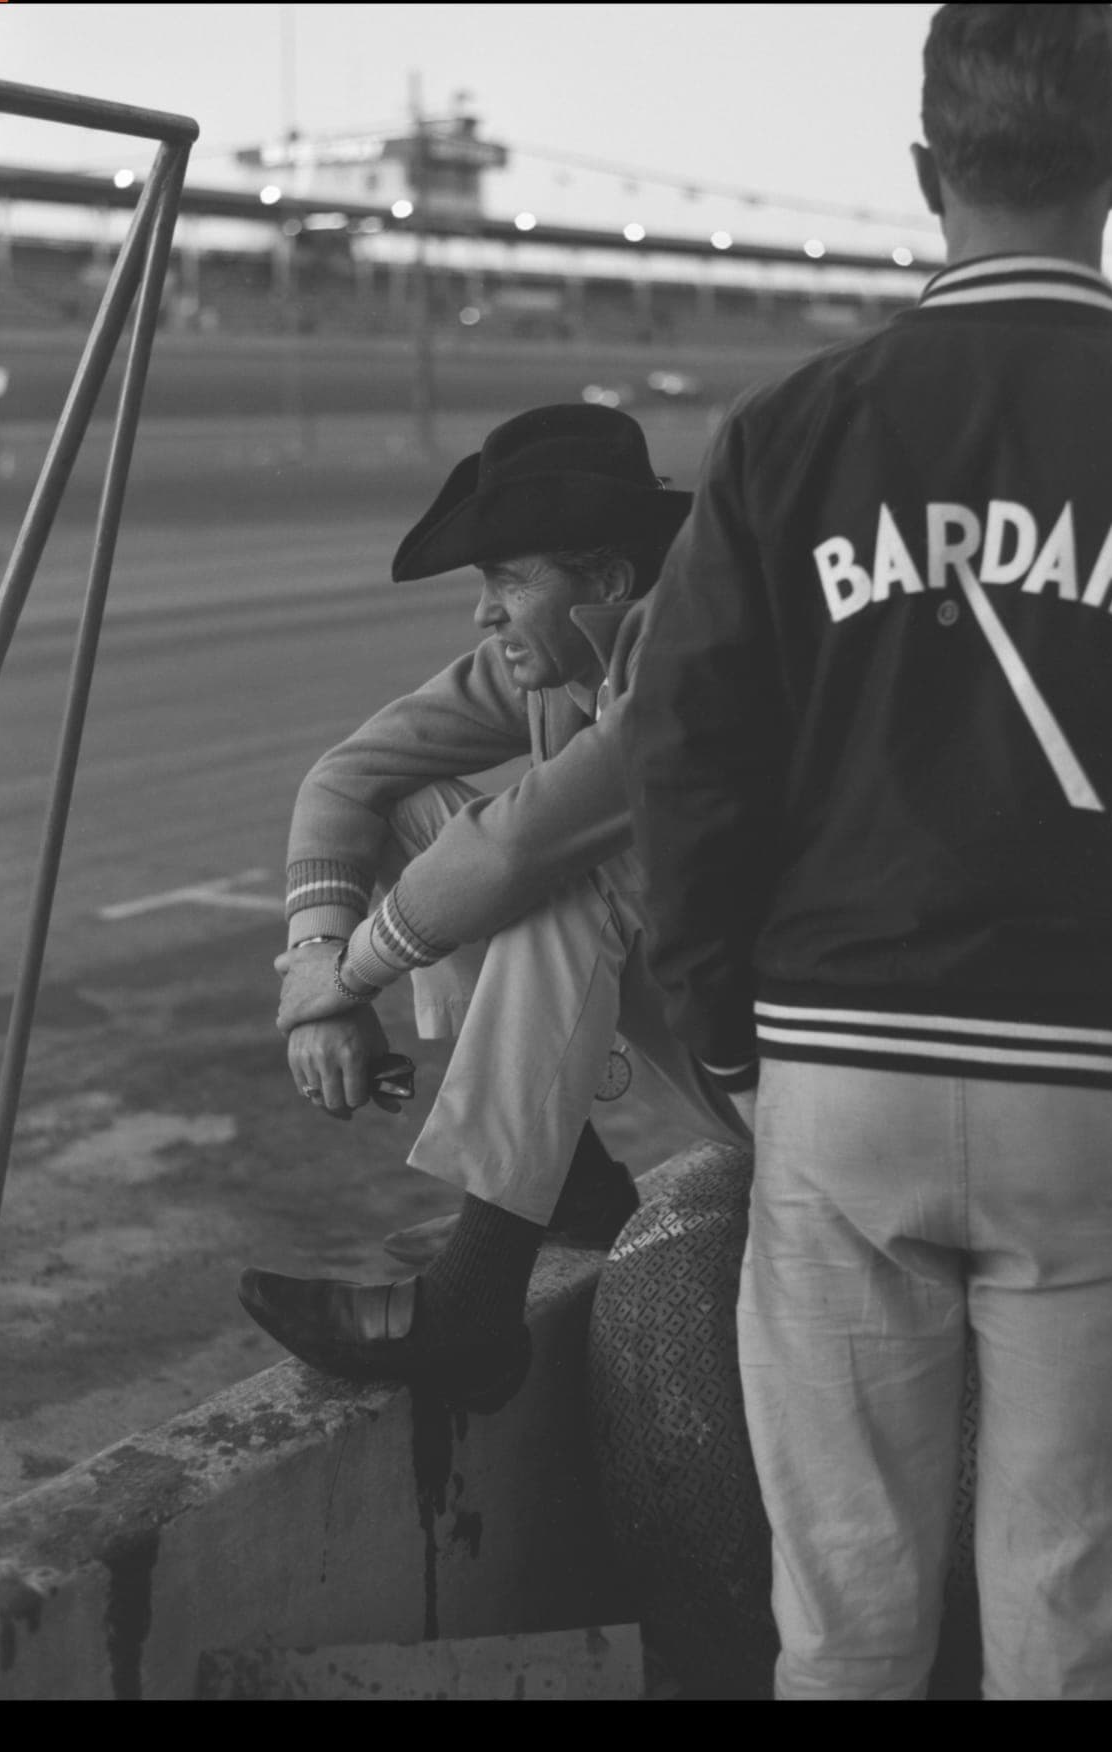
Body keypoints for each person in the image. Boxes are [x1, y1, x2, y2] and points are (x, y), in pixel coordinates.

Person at [622, 4, 1112, 1701]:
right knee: (1069, 1613)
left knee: (843, 1621)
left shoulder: (791, 429)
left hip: (842, 1064)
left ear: (925, 171)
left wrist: (719, 1031)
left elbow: (686, 763)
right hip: (1097, 1078)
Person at [238, 404, 751, 1412]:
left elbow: (516, 848)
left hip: (795, 1080)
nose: (484, 613)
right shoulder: (554, 660)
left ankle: (474, 1302)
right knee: (418, 809)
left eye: (509, 581)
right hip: (717, 1041)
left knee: (557, 872)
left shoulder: (694, 661)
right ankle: (573, 1187)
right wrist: (318, 962)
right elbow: (348, 778)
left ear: (608, 581)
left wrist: (350, 976)